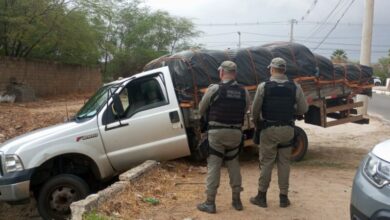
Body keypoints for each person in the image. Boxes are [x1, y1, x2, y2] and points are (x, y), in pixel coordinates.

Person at [250, 57, 308, 208]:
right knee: (284, 163)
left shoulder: (263, 86)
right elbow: (303, 109)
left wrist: (256, 124)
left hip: (268, 130)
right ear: (284, 70)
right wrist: (291, 110)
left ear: (271, 69)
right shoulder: (295, 87)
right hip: (288, 130)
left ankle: (261, 197)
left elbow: (255, 110)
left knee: (267, 163)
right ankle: (283, 198)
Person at [197, 60, 250, 213]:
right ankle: (236, 200)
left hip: (217, 133)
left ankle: (210, 203)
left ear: (221, 72)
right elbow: (246, 108)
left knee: (214, 166)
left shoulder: (214, 89)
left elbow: (201, 109)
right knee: (233, 164)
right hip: (235, 133)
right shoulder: (243, 91)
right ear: (235, 74)